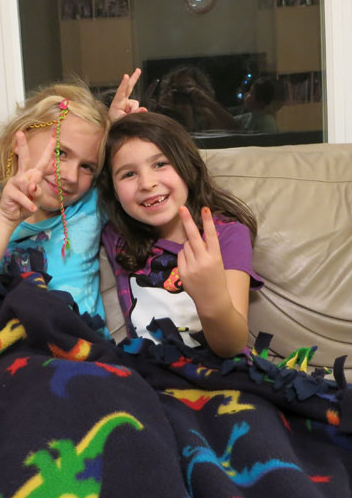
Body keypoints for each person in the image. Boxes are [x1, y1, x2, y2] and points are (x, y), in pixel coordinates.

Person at [0, 70, 144, 336]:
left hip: (78, 352)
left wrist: (115, 130)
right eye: (60, 152)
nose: (70, 176)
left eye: (87, 166)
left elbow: (141, 179)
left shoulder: (90, 203)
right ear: (18, 141)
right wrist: (5, 220)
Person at [98, 112, 262, 357]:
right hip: (147, 372)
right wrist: (107, 127)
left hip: (219, 371)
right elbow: (74, 182)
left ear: (189, 167)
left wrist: (212, 299)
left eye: (160, 164)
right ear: (113, 191)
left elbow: (233, 346)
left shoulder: (228, 234)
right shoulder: (116, 234)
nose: (146, 183)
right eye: (128, 174)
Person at [151, 65, 238, 132]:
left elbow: (232, 128)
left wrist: (208, 102)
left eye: (188, 87)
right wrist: (161, 108)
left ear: (200, 88)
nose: (182, 93)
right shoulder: (167, 112)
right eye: (177, 89)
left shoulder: (204, 111)